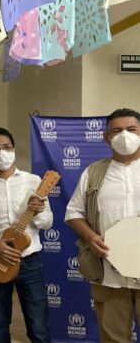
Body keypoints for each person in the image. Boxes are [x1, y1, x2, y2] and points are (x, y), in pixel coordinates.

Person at [0, 127, 53, 343]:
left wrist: (38, 212)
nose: (2, 152)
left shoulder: (34, 181)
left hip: (30, 263)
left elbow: (47, 224)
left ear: (13, 149)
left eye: (6, 147)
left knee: (39, 327)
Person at [65, 108, 140, 343]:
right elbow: (73, 212)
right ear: (106, 137)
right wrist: (90, 237)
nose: (124, 135)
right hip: (109, 272)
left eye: (131, 129)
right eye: (117, 131)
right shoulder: (93, 172)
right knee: (113, 338)